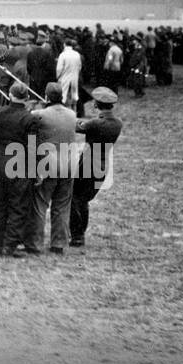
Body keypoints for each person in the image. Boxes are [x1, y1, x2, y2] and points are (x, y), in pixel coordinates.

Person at [0, 82, 40, 255]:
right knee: (18, 204)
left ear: (10, 96)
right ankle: (10, 244)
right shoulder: (30, 119)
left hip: (0, 160)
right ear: (27, 98)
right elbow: (33, 148)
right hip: (20, 162)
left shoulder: (0, 111)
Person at [70, 88, 123, 248]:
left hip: (87, 164)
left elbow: (77, 126)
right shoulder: (117, 123)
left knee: (73, 197)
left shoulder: (95, 123)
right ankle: (80, 235)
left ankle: (77, 235)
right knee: (84, 200)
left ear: (96, 104)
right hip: (102, 166)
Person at [28, 83, 77, 254]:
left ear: (47, 97)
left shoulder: (39, 114)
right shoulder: (72, 115)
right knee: (62, 205)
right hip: (69, 165)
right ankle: (59, 243)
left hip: (48, 165)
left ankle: (35, 243)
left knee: (40, 204)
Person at [56, 40, 82, 116]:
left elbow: (59, 68)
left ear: (64, 45)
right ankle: (74, 112)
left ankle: (63, 114)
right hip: (74, 78)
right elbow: (79, 66)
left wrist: (58, 77)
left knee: (63, 96)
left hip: (64, 77)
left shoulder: (62, 55)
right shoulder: (77, 54)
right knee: (74, 95)